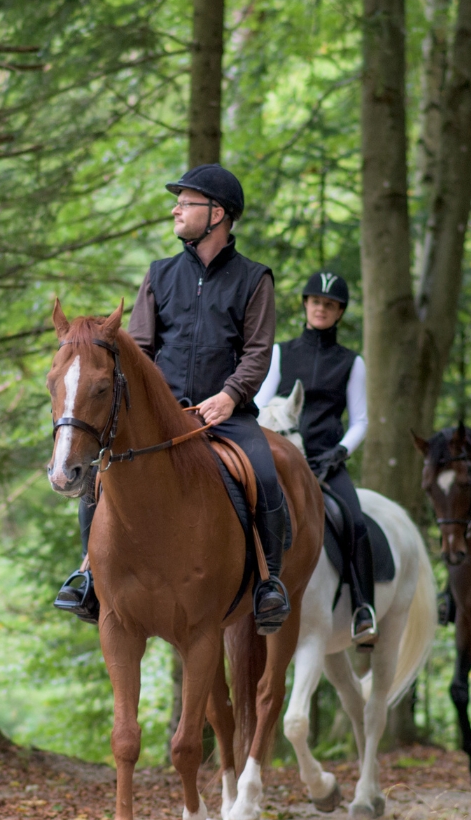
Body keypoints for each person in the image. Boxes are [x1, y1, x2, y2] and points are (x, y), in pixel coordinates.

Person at [53, 164, 290, 634]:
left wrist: (229, 396)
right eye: (177, 201)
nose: (175, 210)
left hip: (224, 415)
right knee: (101, 476)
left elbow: (258, 351)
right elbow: (139, 350)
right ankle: (87, 576)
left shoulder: (254, 279)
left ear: (216, 213)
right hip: (163, 418)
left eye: (186, 202)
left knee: (265, 473)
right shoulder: (160, 275)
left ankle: (268, 583)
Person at [254, 271, 377, 646]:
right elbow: (259, 402)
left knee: (355, 522)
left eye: (330, 305)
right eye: (316, 302)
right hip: (280, 457)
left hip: (326, 463)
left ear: (339, 312)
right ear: (306, 305)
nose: (321, 309)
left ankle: (362, 608)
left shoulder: (351, 362)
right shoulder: (281, 352)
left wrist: (340, 452)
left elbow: (360, 420)